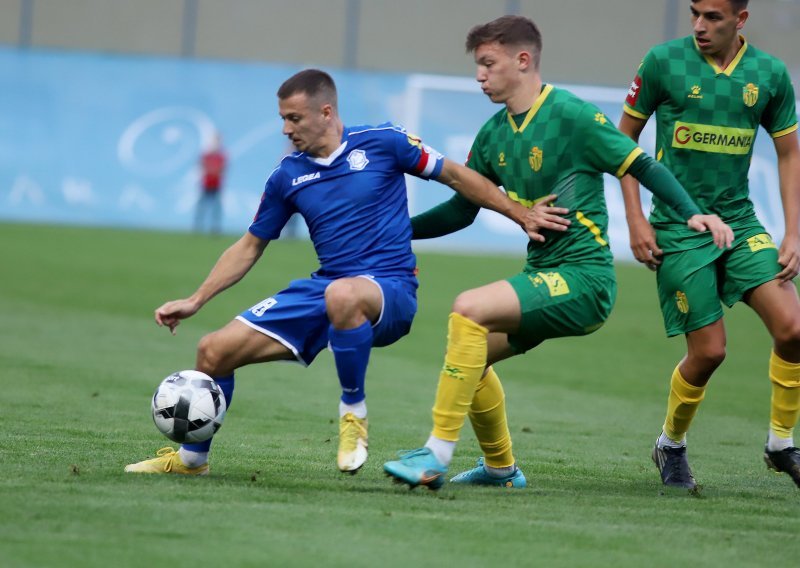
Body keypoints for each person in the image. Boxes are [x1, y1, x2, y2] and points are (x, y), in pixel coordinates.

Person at [383, 15, 733, 490]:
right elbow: (461, 212)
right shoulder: (492, 135)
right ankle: (501, 469)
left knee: (468, 308)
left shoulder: (571, 114)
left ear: (523, 60)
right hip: (545, 275)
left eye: (488, 63)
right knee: (469, 355)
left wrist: (693, 213)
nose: (479, 75)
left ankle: (436, 455)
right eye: (478, 66)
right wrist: (396, 234)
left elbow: (640, 163)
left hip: (585, 280)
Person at [125, 68, 533, 476]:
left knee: (344, 294)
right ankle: (192, 461)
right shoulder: (288, 175)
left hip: (390, 289)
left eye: (294, 118)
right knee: (212, 351)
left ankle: (353, 415)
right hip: (327, 287)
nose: (286, 128)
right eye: (282, 118)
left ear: (326, 112)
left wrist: (520, 214)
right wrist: (196, 299)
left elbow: (458, 176)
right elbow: (250, 245)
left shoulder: (385, 142)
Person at [617, 0, 800, 489]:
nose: (699, 25)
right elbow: (625, 141)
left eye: (713, 17)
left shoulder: (769, 74)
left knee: (794, 328)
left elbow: (788, 154)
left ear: (741, 20)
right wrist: (635, 218)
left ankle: (781, 444)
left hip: (740, 222)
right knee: (710, 352)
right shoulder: (662, 62)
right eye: (695, 12)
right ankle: (670, 445)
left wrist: (793, 231)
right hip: (678, 229)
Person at [194, 132, 227, 235]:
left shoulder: (221, 157)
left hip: (216, 185)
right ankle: (198, 227)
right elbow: (201, 168)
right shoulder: (206, 156)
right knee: (201, 206)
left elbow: (222, 170)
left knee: (216, 208)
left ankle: (215, 228)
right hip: (206, 184)